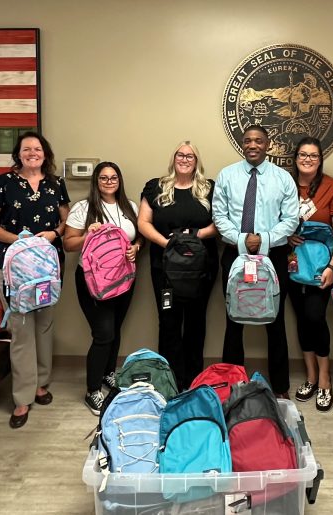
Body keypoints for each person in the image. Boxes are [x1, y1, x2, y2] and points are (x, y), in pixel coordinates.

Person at [0, 131, 69, 429]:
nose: (33, 153)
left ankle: (41, 384)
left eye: (38, 148)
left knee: (45, 325)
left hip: (47, 269)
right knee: (21, 328)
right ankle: (22, 396)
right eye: (27, 149)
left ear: (46, 153)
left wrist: (54, 234)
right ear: (18, 153)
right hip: (14, 268)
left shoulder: (56, 184)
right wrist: (19, 241)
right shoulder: (3, 183)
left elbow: (67, 221)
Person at [212, 125, 299, 397]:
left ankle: (281, 387)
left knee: (275, 321)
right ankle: (232, 383)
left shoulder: (283, 178)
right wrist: (242, 240)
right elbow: (219, 216)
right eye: (248, 140)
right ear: (242, 143)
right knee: (233, 320)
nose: (253, 145)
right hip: (235, 254)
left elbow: (291, 218)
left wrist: (264, 240)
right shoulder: (226, 176)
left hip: (273, 255)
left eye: (258, 141)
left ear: (267, 144)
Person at [137, 141, 219, 390]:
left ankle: (193, 380)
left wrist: (194, 236)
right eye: (180, 155)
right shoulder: (156, 187)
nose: (184, 159)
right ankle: (170, 381)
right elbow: (143, 222)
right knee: (169, 322)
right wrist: (168, 244)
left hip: (200, 268)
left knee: (196, 322)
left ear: (197, 161)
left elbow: (221, 223)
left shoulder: (209, 189)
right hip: (165, 268)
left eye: (190, 156)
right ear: (173, 158)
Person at [64, 162, 142, 415]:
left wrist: (137, 247)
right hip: (93, 282)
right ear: (96, 181)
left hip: (124, 279)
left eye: (113, 177)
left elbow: (139, 235)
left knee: (116, 329)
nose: (109, 182)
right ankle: (92, 390)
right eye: (103, 178)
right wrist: (88, 234)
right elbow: (68, 244)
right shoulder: (83, 208)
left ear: (119, 180)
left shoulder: (130, 206)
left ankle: (109, 374)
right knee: (103, 334)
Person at [285, 136, 333, 412]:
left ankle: (325, 378)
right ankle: (310, 375)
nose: (307, 159)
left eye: (313, 155)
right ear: (295, 158)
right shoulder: (285, 184)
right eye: (303, 155)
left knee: (315, 316)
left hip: (322, 266)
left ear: (320, 159)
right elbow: (274, 220)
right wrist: (286, 237)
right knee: (300, 319)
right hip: (291, 265)